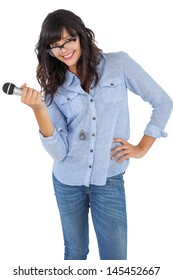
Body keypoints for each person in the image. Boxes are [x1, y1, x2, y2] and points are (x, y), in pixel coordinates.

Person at [21, 9, 172, 260]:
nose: (64, 49)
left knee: (115, 259)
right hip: (68, 182)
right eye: (54, 45)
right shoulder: (53, 90)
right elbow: (59, 152)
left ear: (80, 36)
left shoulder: (118, 64)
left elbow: (163, 102)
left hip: (109, 178)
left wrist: (142, 147)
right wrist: (38, 109)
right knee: (75, 253)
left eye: (68, 39)